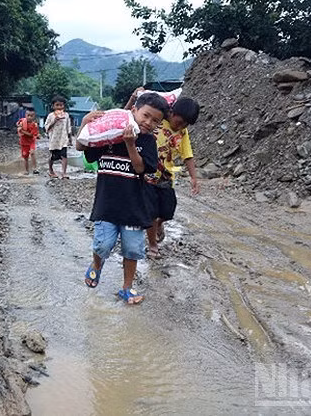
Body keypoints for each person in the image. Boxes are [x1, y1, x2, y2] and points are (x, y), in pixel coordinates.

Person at [77, 93, 168, 305]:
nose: (149, 123)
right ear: (133, 111)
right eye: (146, 115)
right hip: (106, 205)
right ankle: (97, 265)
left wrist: (130, 145)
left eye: (156, 121)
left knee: (132, 250)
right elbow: (81, 147)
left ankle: (126, 288)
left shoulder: (147, 141)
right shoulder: (108, 135)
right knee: (103, 245)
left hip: (134, 209)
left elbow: (140, 169)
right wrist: (83, 123)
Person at [126, 89, 200, 258]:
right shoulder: (156, 121)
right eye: (179, 122)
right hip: (147, 176)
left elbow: (187, 155)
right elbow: (128, 117)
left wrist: (194, 178)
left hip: (166, 177)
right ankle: (152, 245)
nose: (180, 126)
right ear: (172, 112)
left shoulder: (182, 132)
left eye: (185, 125)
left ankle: (160, 223)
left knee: (167, 211)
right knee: (151, 212)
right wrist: (133, 98)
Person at [45, 96, 72, 179]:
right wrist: (54, 120)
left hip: (63, 139)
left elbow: (68, 127)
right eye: (57, 105)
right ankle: (50, 170)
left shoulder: (66, 115)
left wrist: (70, 138)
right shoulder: (50, 116)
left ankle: (64, 173)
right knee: (53, 157)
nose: (59, 107)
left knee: (64, 156)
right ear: (53, 106)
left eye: (61, 105)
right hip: (54, 140)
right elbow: (46, 128)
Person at [17, 108, 39, 175]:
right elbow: (17, 124)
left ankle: (35, 168)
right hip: (23, 142)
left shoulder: (34, 125)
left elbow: (30, 134)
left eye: (31, 116)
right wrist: (19, 126)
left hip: (31, 141)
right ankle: (26, 171)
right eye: (28, 115)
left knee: (32, 153)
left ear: (34, 116)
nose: (29, 117)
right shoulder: (22, 121)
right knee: (25, 157)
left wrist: (22, 131)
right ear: (25, 115)